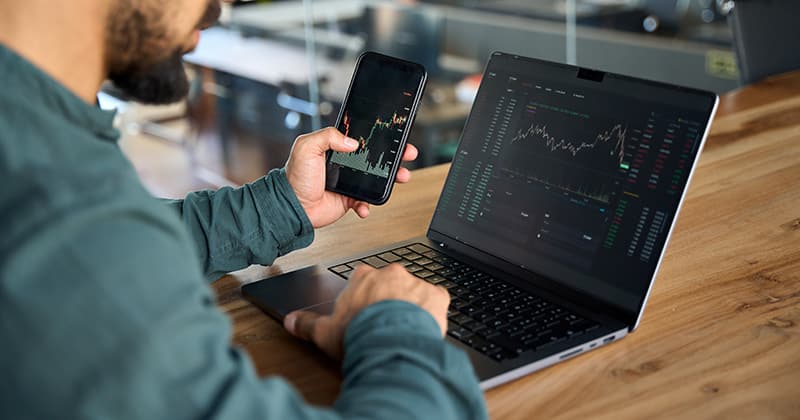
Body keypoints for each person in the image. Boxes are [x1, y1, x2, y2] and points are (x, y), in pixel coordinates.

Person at [0, 0, 487, 419]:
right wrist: (400, 332)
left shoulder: (33, 145)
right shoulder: (55, 206)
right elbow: (91, 250)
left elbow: (106, 251)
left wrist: (282, 206)